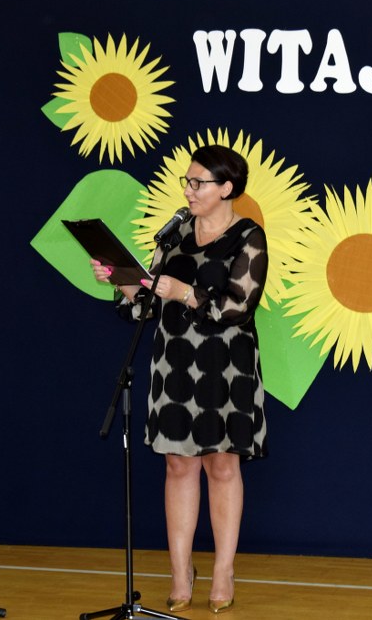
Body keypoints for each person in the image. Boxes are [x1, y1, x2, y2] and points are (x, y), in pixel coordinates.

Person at [91, 144, 268, 614]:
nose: (188, 190)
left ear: (226, 188)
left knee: (222, 466)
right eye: (186, 182)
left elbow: (237, 307)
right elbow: (144, 307)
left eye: (198, 183)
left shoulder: (249, 236)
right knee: (178, 465)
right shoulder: (173, 235)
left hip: (226, 366)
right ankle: (179, 571)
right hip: (174, 364)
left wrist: (186, 293)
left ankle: (224, 571)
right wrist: (121, 281)